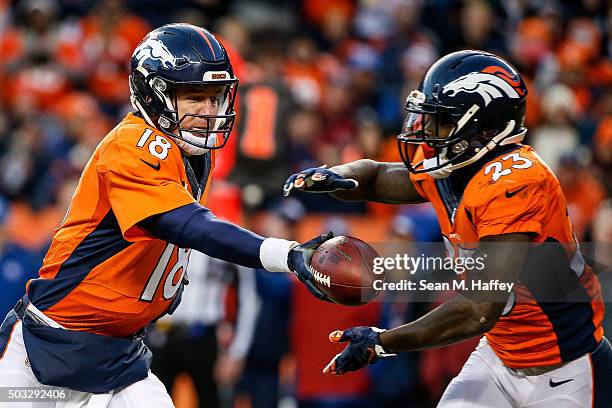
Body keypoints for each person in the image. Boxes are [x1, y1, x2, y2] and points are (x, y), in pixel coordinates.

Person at [0, 23, 331, 407]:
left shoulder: (195, 155)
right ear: (154, 94)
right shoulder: (133, 144)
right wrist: (285, 254)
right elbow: (186, 224)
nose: (209, 111)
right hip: (47, 352)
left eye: (215, 97)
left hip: (118, 358)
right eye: (194, 97)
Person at [284, 50, 611, 407]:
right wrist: (336, 177)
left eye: (440, 120)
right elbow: (378, 177)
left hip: (565, 368)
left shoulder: (517, 181)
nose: (426, 130)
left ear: (482, 127)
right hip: (500, 354)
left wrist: (384, 341)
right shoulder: (452, 168)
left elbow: (479, 307)